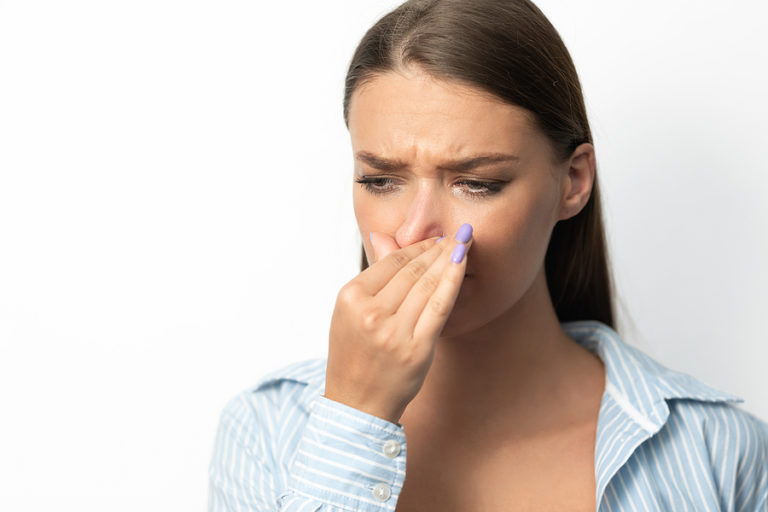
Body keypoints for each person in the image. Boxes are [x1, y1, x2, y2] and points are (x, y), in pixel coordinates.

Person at [208, 0, 768, 510]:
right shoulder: (266, 430)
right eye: (381, 180)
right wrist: (356, 421)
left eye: (476, 182)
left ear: (572, 181)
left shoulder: (720, 451)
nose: (417, 230)